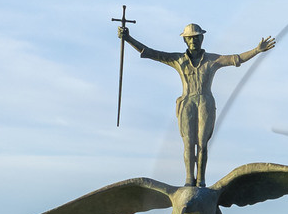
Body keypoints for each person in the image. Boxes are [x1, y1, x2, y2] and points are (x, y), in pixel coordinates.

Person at [118, 22, 276, 186]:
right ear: (185, 40)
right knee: (188, 143)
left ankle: (200, 179)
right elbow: (152, 53)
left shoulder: (212, 59)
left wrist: (257, 50)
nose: (193, 41)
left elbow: (235, 59)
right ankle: (188, 179)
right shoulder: (178, 59)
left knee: (202, 143)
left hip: (205, 102)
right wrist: (129, 38)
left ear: (202, 38)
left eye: (196, 37)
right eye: (190, 38)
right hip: (187, 103)